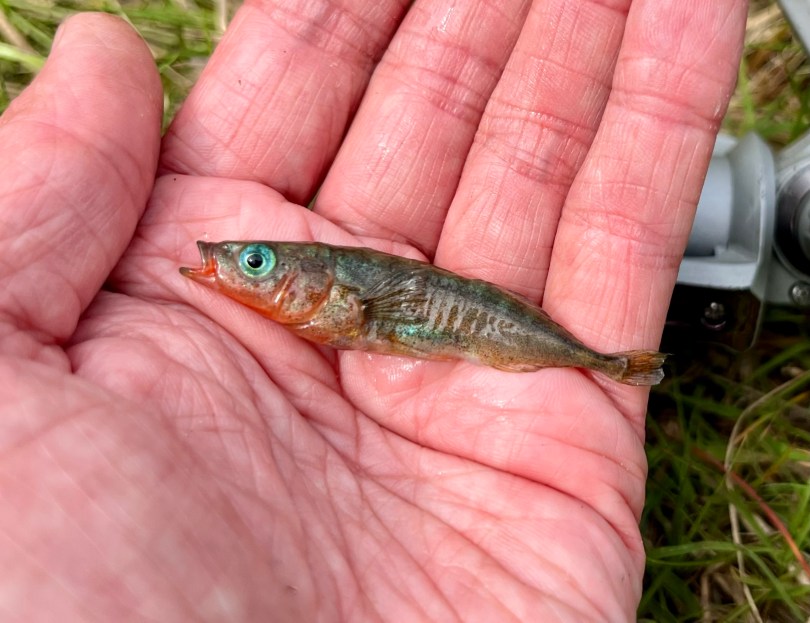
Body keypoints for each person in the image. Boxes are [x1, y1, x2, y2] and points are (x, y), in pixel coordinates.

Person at [0, 2, 745, 620]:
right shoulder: (316, 306)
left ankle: (611, 364)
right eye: (254, 261)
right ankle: (611, 365)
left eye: (257, 262)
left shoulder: (335, 301)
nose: (242, 265)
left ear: (317, 283)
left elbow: (359, 320)